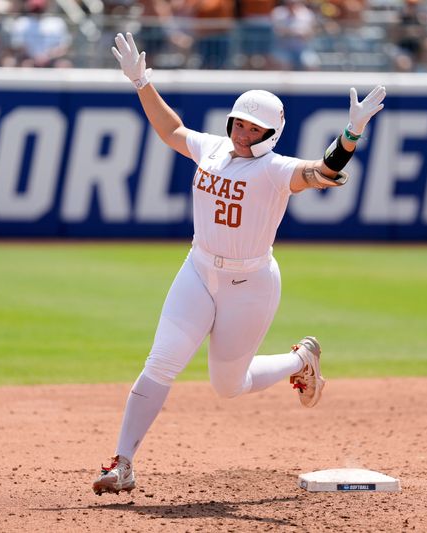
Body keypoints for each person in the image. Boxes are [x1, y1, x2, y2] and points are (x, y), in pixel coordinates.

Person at [92, 32, 386, 496]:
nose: (244, 133)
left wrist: (350, 135)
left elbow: (324, 173)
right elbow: (171, 130)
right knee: (161, 362)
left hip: (249, 282)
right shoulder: (212, 148)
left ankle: (300, 359)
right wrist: (141, 82)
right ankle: (122, 463)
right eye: (240, 124)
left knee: (228, 386)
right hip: (198, 270)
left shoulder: (276, 170)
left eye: (255, 129)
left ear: (272, 135)